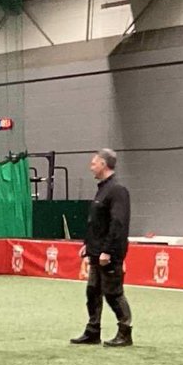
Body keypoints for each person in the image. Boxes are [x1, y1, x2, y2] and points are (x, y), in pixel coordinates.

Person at [71, 149, 133, 348]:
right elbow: (97, 222)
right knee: (93, 291)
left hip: (109, 254)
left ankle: (125, 332)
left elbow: (118, 223)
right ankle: (93, 331)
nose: (91, 167)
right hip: (96, 252)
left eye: (94, 163)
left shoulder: (117, 190)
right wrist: (87, 245)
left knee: (113, 293)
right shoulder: (103, 189)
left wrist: (108, 250)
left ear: (104, 164)